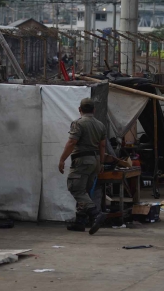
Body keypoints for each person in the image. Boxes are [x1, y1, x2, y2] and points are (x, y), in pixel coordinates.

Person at [58, 98, 107, 234]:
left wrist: (62, 159)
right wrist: (101, 163)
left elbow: (72, 142)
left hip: (82, 160)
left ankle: (96, 213)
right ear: (94, 110)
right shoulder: (100, 125)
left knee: (76, 189)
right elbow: (102, 145)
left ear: (80, 109)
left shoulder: (78, 123)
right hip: (95, 160)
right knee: (85, 191)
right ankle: (80, 222)